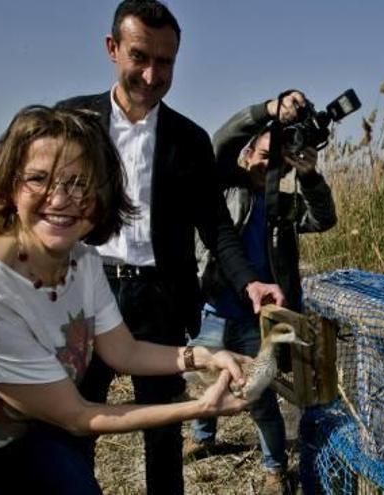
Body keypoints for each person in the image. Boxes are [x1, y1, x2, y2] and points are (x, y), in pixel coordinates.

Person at [0, 105, 251, 494]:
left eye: (80, 183)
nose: (61, 198)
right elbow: (78, 416)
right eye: (39, 179)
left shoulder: (82, 260)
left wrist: (202, 356)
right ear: (8, 185)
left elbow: (124, 351)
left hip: (15, 432)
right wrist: (202, 408)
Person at [56, 1, 284, 492]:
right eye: (140, 57)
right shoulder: (71, 122)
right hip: (81, 289)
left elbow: (216, 225)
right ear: (112, 49)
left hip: (158, 298)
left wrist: (251, 282)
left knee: (161, 423)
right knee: (76, 420)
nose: (152, 74)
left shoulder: (189, 139)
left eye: (166, 62)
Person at [186, 91, 337, 492]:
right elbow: (220, 144)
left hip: (259, 319)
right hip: (214, 308)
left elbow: (324, 219)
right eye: (262, 153)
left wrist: (309, 176)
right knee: (204, 376)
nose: (266, 163)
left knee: (261, 397)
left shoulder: (282, 207)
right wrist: (266, 112)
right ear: (247, 153)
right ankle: (201, 438)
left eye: (277, 157)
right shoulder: (223, 191)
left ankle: (274, 468)